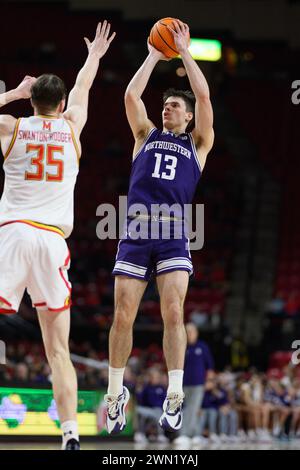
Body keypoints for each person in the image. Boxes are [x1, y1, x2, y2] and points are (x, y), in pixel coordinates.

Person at [0, 21, 115, 450]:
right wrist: (94, 56)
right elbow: (84, 87)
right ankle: (69, 434)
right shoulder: (72, 126)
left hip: (11, 235)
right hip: (51, 241)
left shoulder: (10, 127)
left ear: (32, 100)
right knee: (58, 351)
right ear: (61, 103)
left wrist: (11, 95)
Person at [104, 20, 214, 435]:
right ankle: (115, 395)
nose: (167, 108)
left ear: (187, 118)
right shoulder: (145, 134)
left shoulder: (198, 144)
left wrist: (184, 51)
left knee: (173, 313)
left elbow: (202, 94)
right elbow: (131, 95)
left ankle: (175, 394)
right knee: (122, 315)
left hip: (173, 234)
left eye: (174, 106)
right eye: (165, 104)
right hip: (135, 230)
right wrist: (154, 51)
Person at [173, 322, 214, 446]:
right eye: (187, 332)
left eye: (192, 332)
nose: (189, 334)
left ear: (196, 333)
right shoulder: (182, 347)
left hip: (198, 384)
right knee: (185, 409)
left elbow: (210, 366)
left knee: (193, 409)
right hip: (183, 384)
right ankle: (195, 434)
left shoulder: (202, 347)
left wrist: (210, 381)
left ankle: (185, 434)